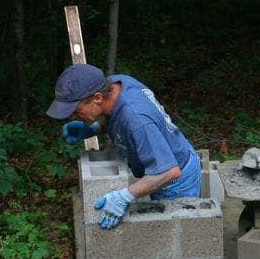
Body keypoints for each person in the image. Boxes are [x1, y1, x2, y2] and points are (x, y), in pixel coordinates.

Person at [46, 63, 201, 229]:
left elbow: (168, 171)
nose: (72, 117)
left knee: (171, 239)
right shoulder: (117, 84)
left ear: (97, 97)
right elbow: (118, 118)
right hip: (170, 152)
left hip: (176, 181)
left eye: (76, 111)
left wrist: (125, 196)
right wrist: (94, 128)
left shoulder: (136, 119)